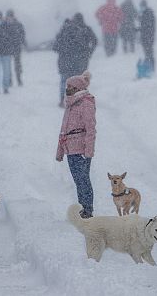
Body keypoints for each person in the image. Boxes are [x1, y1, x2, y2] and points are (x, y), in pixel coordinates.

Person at [55, 70, 96, 219]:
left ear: (78, 88)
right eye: (67, 86)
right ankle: (82, 208)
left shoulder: (86, 104)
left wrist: (88, 152)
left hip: (81, 150)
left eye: (70, 87)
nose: (67, 89)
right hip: (70, 149)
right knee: (78, 181)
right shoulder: (71, 104)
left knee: (83, 180)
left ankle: (87, 210)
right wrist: (60, 151)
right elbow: (64, 130)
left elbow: (91, 129)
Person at [52, 13, 97, 106]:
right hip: (80, 61)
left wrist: (63, 51)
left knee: (64, 80)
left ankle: (62, 99)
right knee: (79, 80)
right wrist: (89, 53)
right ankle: (77, 100)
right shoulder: (86, 29)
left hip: (65, 61)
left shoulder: (65, 30)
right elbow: (94, 41)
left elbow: (55, 47)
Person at [5, 10, 27, 87]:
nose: (10, 18)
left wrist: (24, 43)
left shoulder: (18, 24)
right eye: (8, 16)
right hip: (7, 49)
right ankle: (9, 80)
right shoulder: (4, 25)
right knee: (8, 66)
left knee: (17, 65)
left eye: (11, 16)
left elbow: (22, 35)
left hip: (17, 48)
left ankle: (19, 79)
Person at [138, 0, 156, 70]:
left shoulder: (148, 13)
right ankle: (149, 67)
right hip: (145, 36)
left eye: (142, 6)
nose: (141, 7)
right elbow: (144, 26)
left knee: (149, 53)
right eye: (141, 6)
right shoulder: (144, 13)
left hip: (148, 37)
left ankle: (151, 68)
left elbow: (148, 26)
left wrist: (139, 28)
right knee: (147, 53)